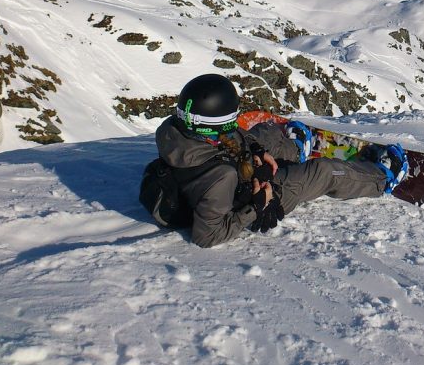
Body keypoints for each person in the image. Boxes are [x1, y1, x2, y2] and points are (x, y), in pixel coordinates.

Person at [155, 73, 408, 248]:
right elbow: (207, 236)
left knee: (262, 135)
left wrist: (256, 149)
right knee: (322, 171)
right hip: (255, 198)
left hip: (232, 171)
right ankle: (381, 178)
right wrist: (255, 206)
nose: (234, 122)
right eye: (231, 118)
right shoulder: (221, 178)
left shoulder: (175, 130)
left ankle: (293, 147)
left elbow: (230, 135)